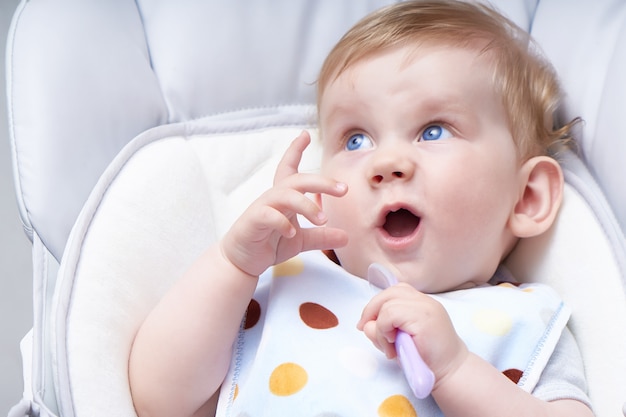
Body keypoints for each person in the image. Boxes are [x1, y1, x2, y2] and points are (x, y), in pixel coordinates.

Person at [129, 1, 594, 416]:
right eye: (356, 139)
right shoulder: (290, 283)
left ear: (527, 197)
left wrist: (455, 370)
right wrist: (234, 264)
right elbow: (159, 398)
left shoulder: (523, 324)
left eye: (433, 130)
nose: (386, 162)